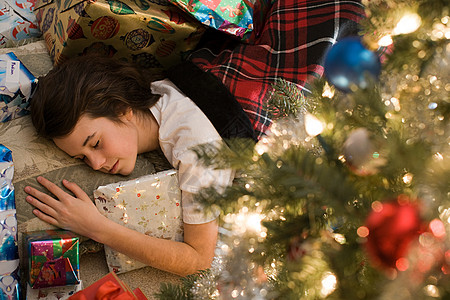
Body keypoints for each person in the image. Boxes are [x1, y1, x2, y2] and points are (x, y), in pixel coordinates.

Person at [24, 55, 235, 277]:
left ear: (122, 110)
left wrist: (96, 227)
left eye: (96, 143)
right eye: (81, 158)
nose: (95, 164)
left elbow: (199, 261)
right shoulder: (161, 95)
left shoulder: (198, 152)